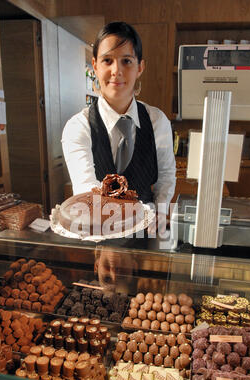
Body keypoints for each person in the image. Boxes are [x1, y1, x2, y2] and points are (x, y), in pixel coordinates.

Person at [62, 21, 176, 235]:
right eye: (107, 61)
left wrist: (160, 213)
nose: (116, 71)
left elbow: (166, 175)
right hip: (100, 231)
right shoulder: (77, 127)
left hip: (147, 230)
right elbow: (86, 187)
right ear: (95, 65)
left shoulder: (157, 121)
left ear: (140, 67)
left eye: (126, 61)